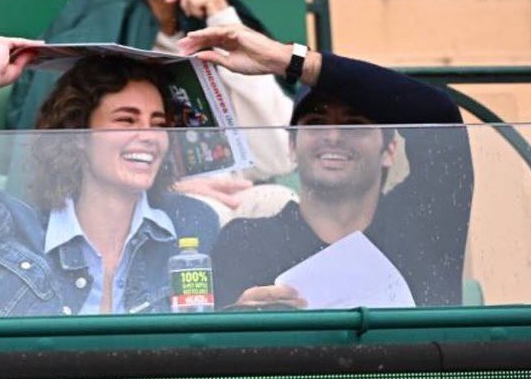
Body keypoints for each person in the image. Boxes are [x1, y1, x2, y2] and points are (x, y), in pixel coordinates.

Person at [0, 37, 219, 316]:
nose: (148, 135)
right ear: (77, 135)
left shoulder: (191, 223)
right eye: (126, 120)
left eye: (158, 123)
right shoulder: (3, 227)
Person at [174, 25, 474, 308]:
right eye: (316, 123)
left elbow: (438, 113)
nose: (333, 136)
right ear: (291, 146)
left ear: (389, 150)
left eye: (355, 125)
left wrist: (293, 62)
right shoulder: (245, 242)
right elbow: (213, 351)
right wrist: (242, 318)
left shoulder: (423, 222)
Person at [8, 0, 296, 213]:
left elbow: (280, 155)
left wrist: (222, 20)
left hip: (240, 187)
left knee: (280, 203)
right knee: (200, 212)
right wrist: (171, 185)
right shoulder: (100, 21)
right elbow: (65, 148)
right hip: (144, 193)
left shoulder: (221, 14)